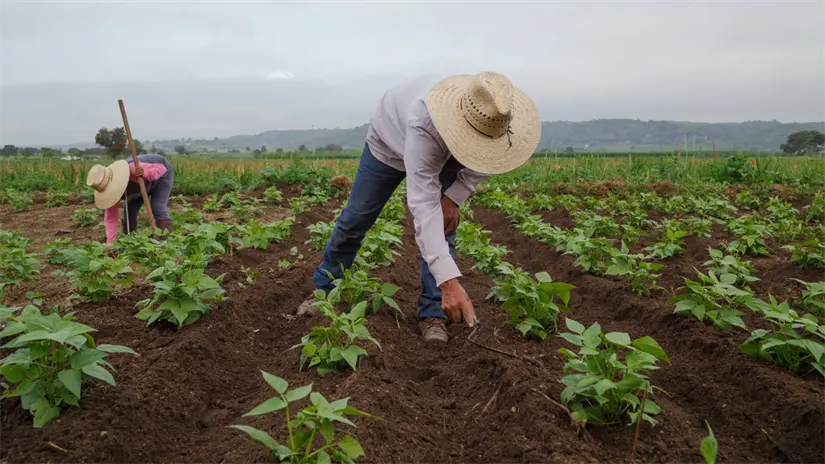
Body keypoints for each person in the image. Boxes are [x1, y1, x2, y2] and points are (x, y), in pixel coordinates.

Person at [296, 71, 541, 343]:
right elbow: (424, 207)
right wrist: (450, 282)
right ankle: (324, 291)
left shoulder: (498, 123)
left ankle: (433, 313)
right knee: (356, 218)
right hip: (389, 143)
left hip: (447, 151)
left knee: (444, 226)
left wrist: (453, 198)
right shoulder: (426, 120)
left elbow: (485, 164)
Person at [85, 153, 175, 244]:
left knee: (157, 207)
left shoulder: (131, 168)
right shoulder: (108, 192)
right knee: (129, 212)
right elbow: (111, 218)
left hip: (161, 178)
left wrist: (145, 173)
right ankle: (131, 242)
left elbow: (161, 168)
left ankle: (165, 244)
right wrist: (110, 243)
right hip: (139, 187)